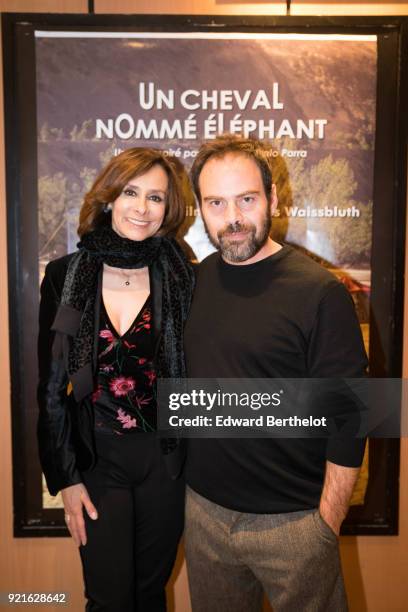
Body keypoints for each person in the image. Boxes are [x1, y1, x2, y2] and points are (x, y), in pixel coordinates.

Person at [183, 134, 368, 612]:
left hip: (295, 525)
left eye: (246, 199)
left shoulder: (321, 292)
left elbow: (349, 416)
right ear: (201, 210)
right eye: (216, 203)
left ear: (273, 198)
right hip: (204, 517)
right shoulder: (195, 282)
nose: (234, 218)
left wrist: (326, 522)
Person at [37, 147, 195, 612]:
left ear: (170, 208)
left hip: (165, 464)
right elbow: (49, 388)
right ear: (110, 196)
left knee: (150, 596)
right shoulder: (66, 275)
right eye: (131, 192)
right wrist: (65, 479)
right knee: (107, 599)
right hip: (96, 462)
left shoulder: (182, 275)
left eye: (156, 197)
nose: (142, 208)